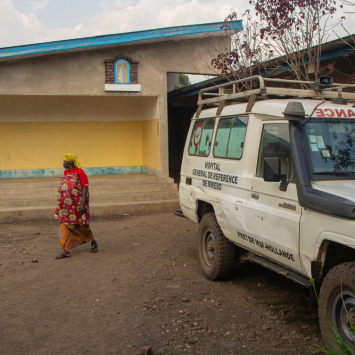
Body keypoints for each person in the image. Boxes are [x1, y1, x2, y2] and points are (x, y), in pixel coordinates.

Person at [54, 153, 98, 259]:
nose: (63, 163)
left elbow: (84, 188)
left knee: (81, 226)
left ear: (70, 162)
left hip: (77, 205)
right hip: (66, 208)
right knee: (64, 226)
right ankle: (66, 251)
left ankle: (92, 241)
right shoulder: (65, 172)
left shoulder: (80, 172)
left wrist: (82, 204)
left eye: (64, 161)